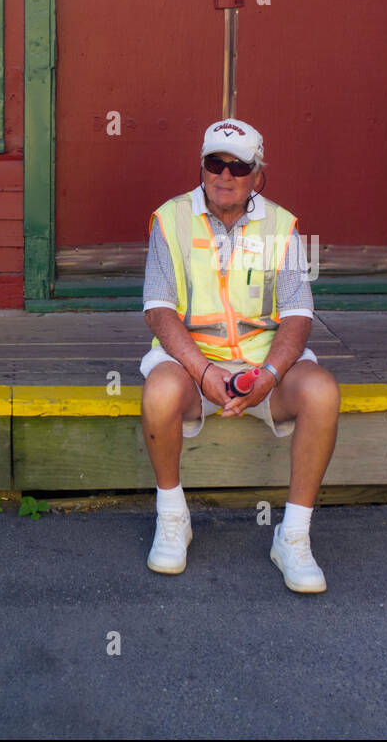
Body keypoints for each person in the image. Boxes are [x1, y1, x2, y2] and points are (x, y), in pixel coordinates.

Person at [139, 118, 340, 593]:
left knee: (323, 391)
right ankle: (173, 518)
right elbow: (158, 311)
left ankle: (292, 536)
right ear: (202, 165)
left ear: (257, 173)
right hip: (193, 364)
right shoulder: (170, 219)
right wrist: (203, 370)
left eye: (238, 166)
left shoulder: (281, 224)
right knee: (160, 390)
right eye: (215, 163)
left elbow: (297, 314)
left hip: (260, 364)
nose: (224, 176)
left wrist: (269, 374)